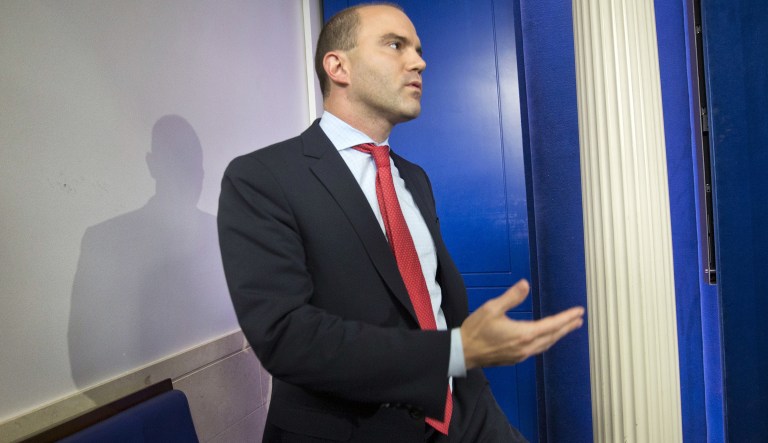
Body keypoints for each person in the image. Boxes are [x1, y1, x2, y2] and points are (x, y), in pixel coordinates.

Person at [217, 3, 584, 442]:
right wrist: (454, 351)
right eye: (396, 45)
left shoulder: (414, 178)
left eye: (418, 49)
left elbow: (429, 301)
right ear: (338, 66)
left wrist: (466, 376)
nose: (419, 62)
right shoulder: (262, 178)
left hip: (464, 413)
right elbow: (286, 336)